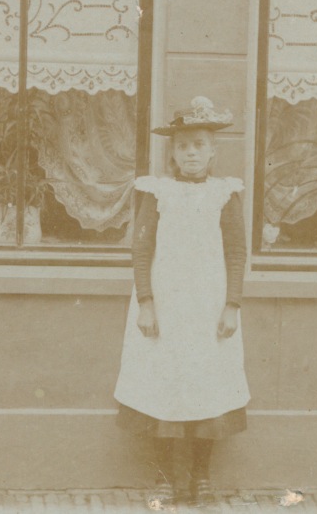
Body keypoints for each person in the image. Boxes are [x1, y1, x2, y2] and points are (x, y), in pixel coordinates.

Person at [113, 96, 249, 506]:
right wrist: (146, 302)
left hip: (209, 310)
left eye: (199, 145)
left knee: (207, 386)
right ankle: (165, 479)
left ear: (212, 152)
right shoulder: (157, 193)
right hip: (166, 309)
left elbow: (236, 252)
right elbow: (141, 250)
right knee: (164, 385)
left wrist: (232, 305)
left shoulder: (225, 194)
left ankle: (201, 477)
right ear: (172, 153)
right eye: (183, 146)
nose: (191, 153)